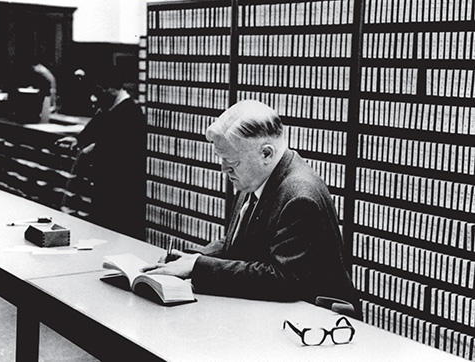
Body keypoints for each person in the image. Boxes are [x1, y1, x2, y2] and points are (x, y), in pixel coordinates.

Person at [142, 99, 361, 317]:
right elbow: (241, 245)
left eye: (232, 162)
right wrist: (192, 258)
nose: (223, 169)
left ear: (266, 154)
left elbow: (283, 279)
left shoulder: (300, 197)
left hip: (316, 323)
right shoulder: (257, 177)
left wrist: (199, 267)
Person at [55, 72, 146, 239]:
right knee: (100, 221)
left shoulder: (130, 110)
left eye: (99, 91)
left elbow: (121, 145)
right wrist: (78, 139)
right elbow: (96, 126)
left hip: (121, 181)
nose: (94, 97)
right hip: (105, 176)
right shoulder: (109, 106)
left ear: (112, 88)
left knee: (113, 225)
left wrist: (96, 148)